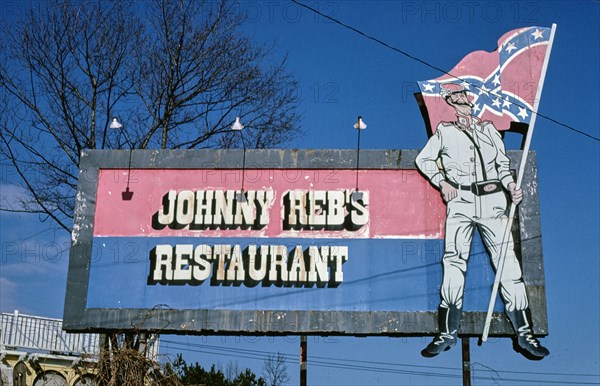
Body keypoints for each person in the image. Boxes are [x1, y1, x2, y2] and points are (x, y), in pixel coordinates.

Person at [415, 82, 549, 359]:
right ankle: (447, 332)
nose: (464, 99)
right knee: (453, 261)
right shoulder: (445, 132)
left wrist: (511, 185)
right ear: (450, 102)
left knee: (507, 262)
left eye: (465, 95)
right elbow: (424, 159)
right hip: (461, 200)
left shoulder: (488, 129)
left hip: (493, 199)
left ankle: (524, 332)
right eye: (457, 96)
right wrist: (441, 182)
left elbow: (501, 165)